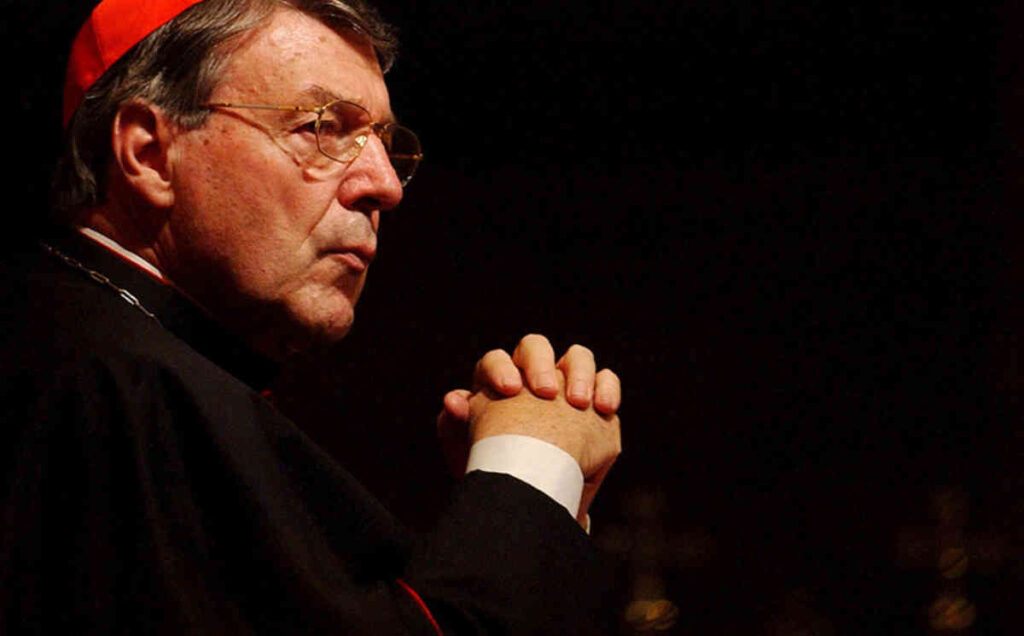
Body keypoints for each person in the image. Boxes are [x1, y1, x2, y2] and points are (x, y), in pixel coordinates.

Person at [0, 0, 623, 634]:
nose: (385, 186)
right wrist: (528, 473)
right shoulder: (113, 383)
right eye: (323, 128)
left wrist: (536, 523)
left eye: (385, 144)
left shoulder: (121, 357)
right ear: (150, 152)